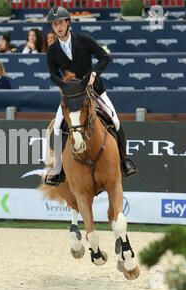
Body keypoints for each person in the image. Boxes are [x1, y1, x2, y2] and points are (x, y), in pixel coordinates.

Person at [44, 6, 137, 185]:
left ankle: (124, 161)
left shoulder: (83, 39)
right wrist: (64, 85)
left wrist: (93, 74)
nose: (58, 27)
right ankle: (58, 168)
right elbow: (53, 75)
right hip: (72, 95)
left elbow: (104, 57)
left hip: (94, 90)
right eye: (54, 24)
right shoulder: (52, 50)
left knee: (115, 120)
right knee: (56, 128)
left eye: (61, 23)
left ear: (68, 23)